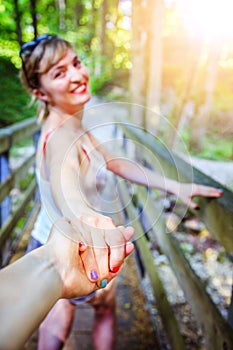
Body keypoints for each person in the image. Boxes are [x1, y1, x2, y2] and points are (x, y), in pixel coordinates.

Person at [19, 34, 223, 350]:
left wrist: (175, 185)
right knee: (89, 314)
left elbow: (115, 163)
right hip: (73, 248)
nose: (76, 75)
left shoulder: (74, 123)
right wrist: (85, 218)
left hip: (50, 241)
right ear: (39, 92)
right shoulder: (60, 137)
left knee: (60, 324)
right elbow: (65, 183)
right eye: (59, 73)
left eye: (76, 62)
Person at [0, 218, 135, 350]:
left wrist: (56, 268)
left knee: (59, 310)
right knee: (104, 310)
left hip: (50, 239)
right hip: (93, 243)